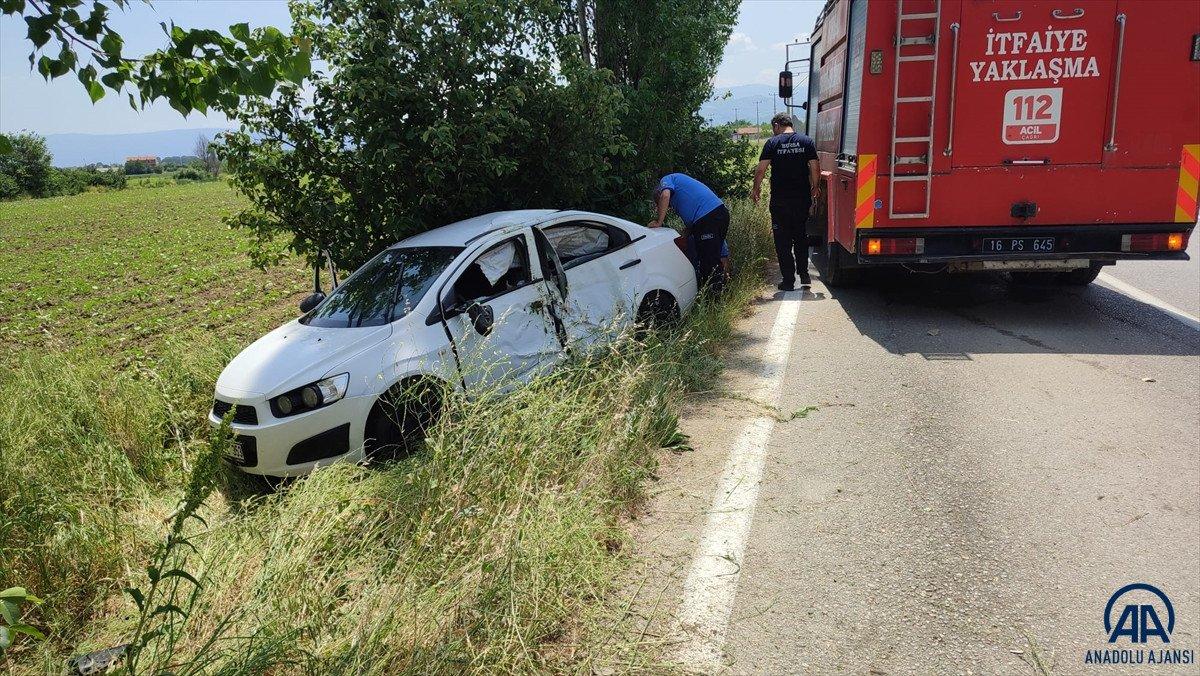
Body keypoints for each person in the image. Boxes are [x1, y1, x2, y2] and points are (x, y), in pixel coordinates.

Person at [752, 112, 820, 291]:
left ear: (776, 125)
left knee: (782, 241)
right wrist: (815, 187)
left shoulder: (772, 143)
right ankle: (804, 275)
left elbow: (761, 170)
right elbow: (814, 167)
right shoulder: (806, 142)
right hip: (801, 200)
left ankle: (788, 280)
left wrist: (756, 189)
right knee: (800, 237)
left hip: (780, 201)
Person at [649, 172, 730, 293]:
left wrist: (658, 222)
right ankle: (721, 292)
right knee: (713, 256)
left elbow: (665, 195)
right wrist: (685, 236)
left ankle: (715, 299)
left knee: (709, 262)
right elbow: (693, 223)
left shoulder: (666, 180)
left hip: (709, 218)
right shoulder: (685, 195)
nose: (669, 207)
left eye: (667, 205)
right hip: (717, 215)